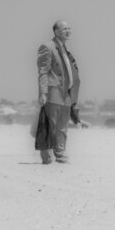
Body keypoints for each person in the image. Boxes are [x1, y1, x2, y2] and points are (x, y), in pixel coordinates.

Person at [36, 20, 81, 164]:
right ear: (56, 31)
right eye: (64, 29)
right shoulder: (47, 47)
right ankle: (46, 154)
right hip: (53, 91)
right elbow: (43, 71)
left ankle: (60, 153)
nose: (68, 31)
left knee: (63, 126)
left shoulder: (66, 49)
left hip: (66, 93)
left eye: (69, 28)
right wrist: (43, 92)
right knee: (51, 125)